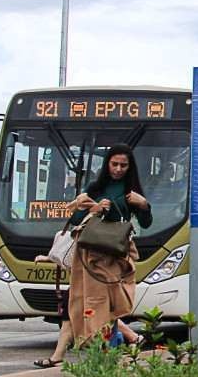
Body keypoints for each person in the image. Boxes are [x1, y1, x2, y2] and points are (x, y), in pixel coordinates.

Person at [60, 144, 153, 353]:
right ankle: (104, 346)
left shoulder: (132, 191)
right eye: (114, 164)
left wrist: (143, 204)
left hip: (117, 254)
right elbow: (75, 218)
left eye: (123, 165)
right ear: (107, 164)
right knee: (93, 300)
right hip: (93, 253)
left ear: (130, 167)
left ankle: (112, 343)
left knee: (114, 300)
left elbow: (146, 223)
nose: (118, 169)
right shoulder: (95, 188)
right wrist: (94, 208)